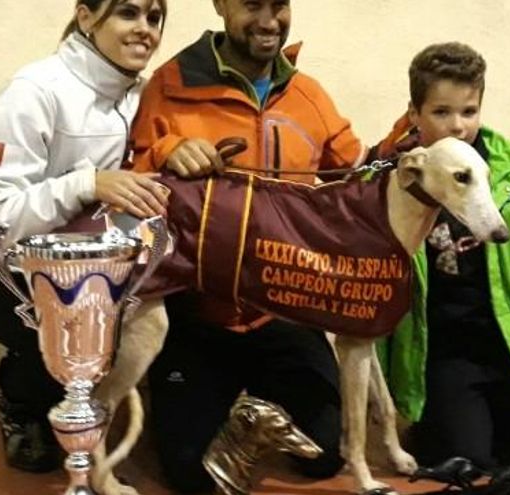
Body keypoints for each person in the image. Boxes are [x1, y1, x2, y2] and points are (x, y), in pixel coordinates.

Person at [127, 0, 366, 491]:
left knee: (324, 455)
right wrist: (169, 151)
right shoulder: (169, 85)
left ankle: (253, 401)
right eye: (252, 4)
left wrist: (416, 144)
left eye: (279, 5)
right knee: (191, 477)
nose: (268, 21)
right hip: (198, 315)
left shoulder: (308, 95)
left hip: (282, 311)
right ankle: (197, 401)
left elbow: (357, 174)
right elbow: (133, 174)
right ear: (220, 5)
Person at [0, 0, 169, 473]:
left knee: (155, 313)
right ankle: (19, 395)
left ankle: (103, 428)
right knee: (79, 334)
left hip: (91, 262)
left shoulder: (142, 96)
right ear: (86, 16)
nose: (145, 29)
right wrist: (86, 183)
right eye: (128, 13)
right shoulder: (32, 91)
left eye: (154, 17)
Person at [374, 42, 510, 471]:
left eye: (469, 112)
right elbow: (370, 282)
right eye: (441, 112)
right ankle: (453, 424)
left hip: (503, 341)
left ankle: (484, 421)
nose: (457, 126)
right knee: (464, 458)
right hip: (441, 350)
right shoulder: (393, 177)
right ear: (414, 114)